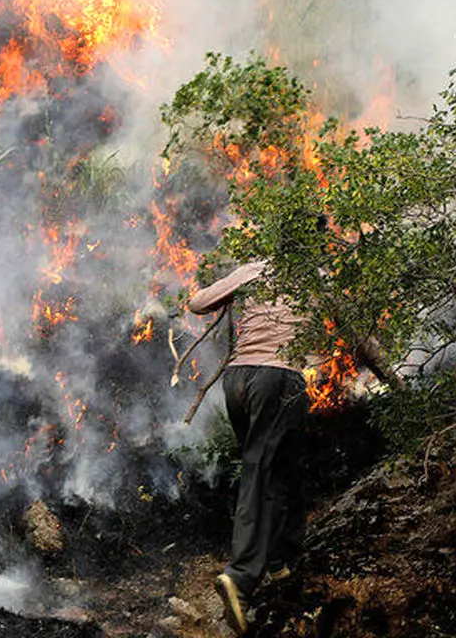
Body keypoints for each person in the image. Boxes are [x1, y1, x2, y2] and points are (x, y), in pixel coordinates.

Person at [188, 259, 315, 636]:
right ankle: (241, 577)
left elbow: (197, 303)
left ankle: (279, 559)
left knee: (280, 468)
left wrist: (236, 285)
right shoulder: (316, 277)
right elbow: (358, 334)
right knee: (261, 470)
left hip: (237, 380)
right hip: (278, 378)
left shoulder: (253, 269)